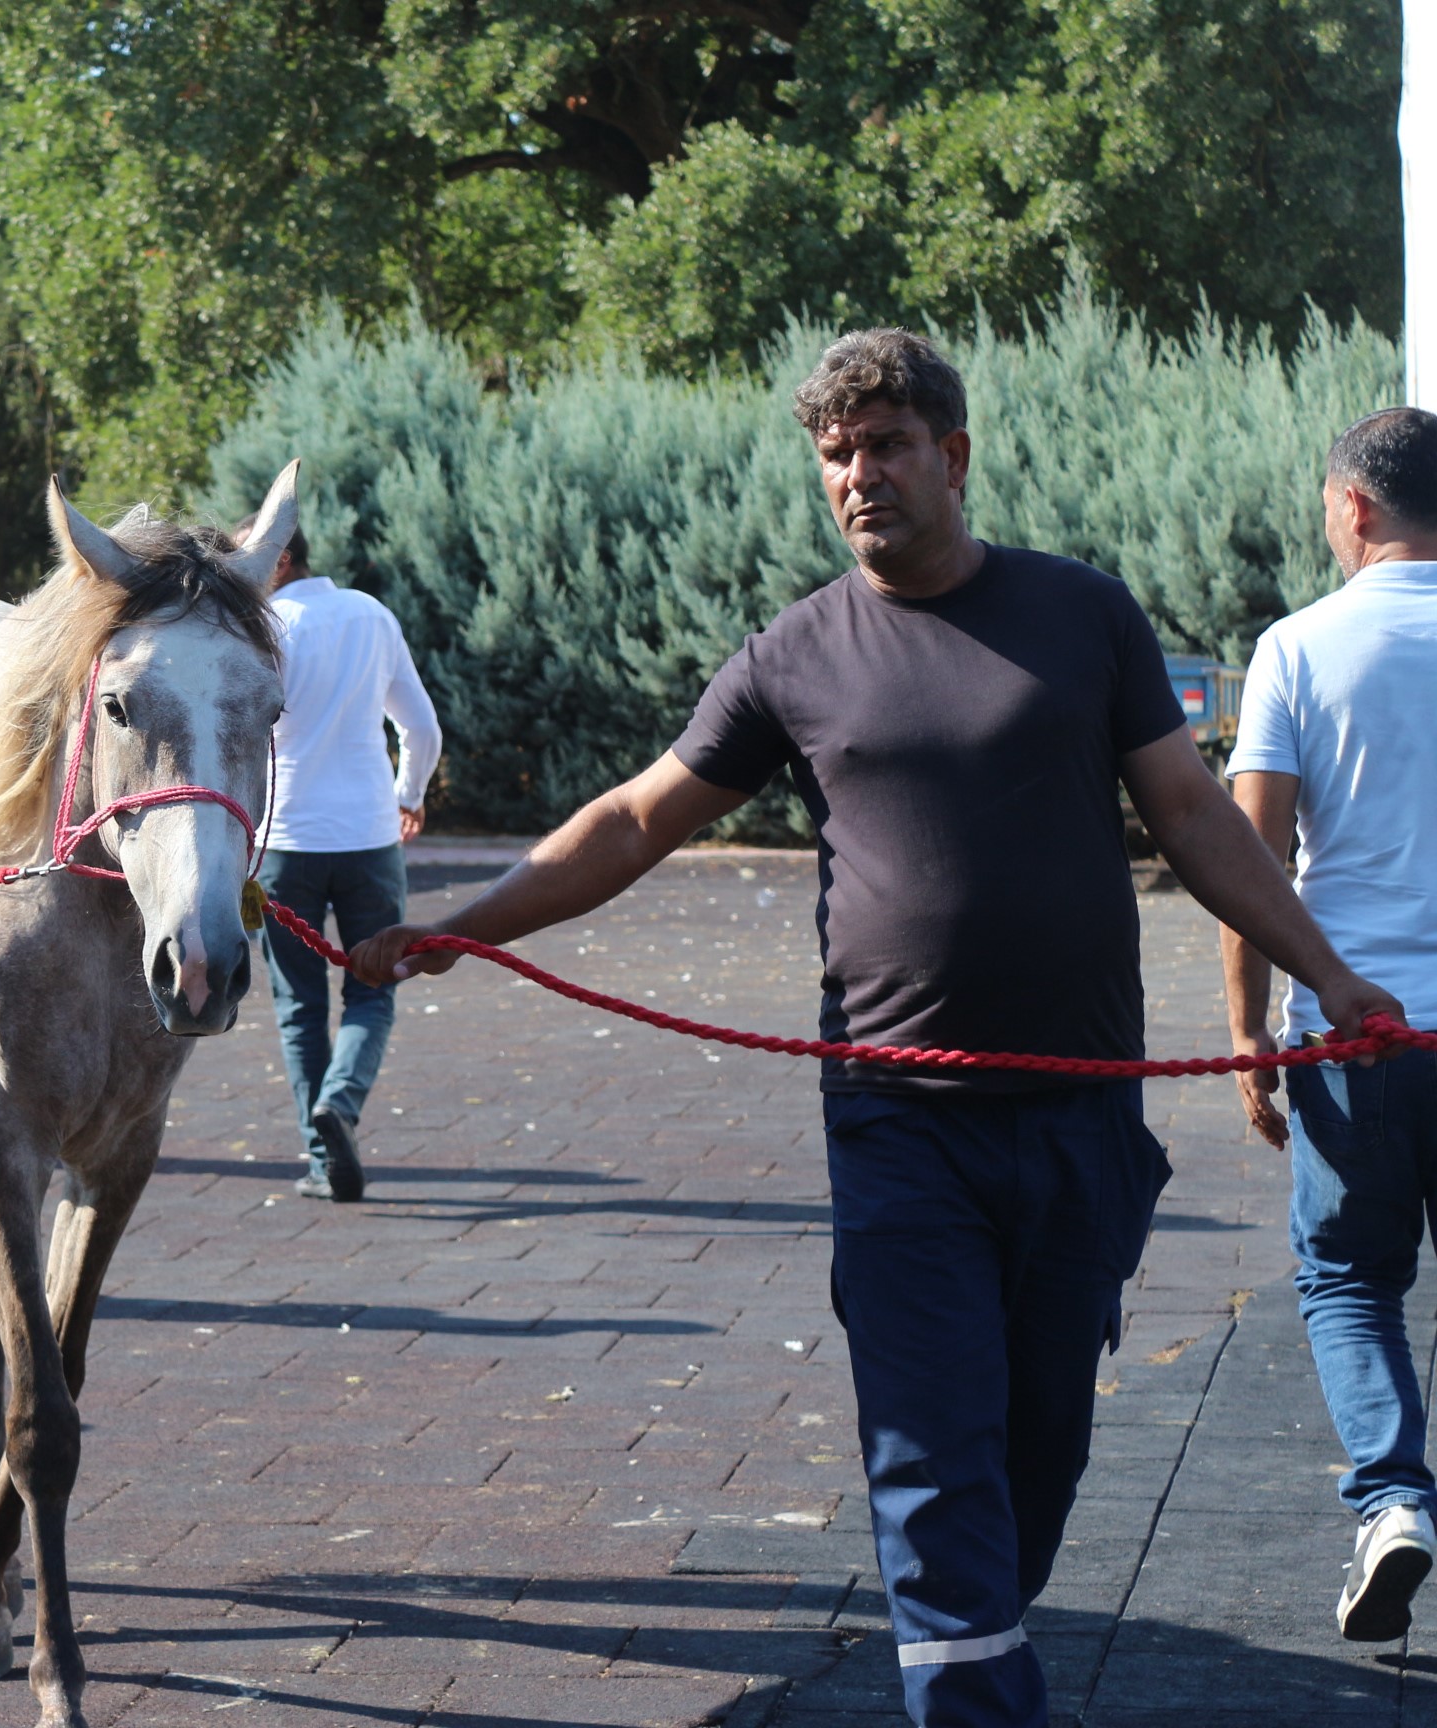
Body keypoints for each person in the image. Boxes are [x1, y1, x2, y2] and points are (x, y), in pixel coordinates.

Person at [348, 328, 1404, 1728]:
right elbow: (633, 820)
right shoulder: (796, 652)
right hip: (898, 1121)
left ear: (952, 457)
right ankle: (976, 1701)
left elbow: (1197, 817)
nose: (859, 475)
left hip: (1082, 1115)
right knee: (928, 1436)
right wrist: (464, 922)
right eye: (837, 454)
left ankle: (979, 1631)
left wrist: (1324, 973)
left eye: (888, 445)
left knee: (1037, 1448)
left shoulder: (1082, 616)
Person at [1222, 406, 1437, 1643]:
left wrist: (1248, 1030)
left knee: (1350, 1278)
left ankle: (1394, 1501)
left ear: (1354, 507)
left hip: (1353, 1036)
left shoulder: (1298, 647)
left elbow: (1247, 856)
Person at [253, 524, 441, 1201]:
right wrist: (408, 796)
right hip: (368, 833)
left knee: (298, 1005)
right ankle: (342, 1102)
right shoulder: (371, 613)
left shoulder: (263, 625)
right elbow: (420, 726)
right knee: (375, 986)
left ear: (282, 558)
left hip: (285, 840)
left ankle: (318, 1153)